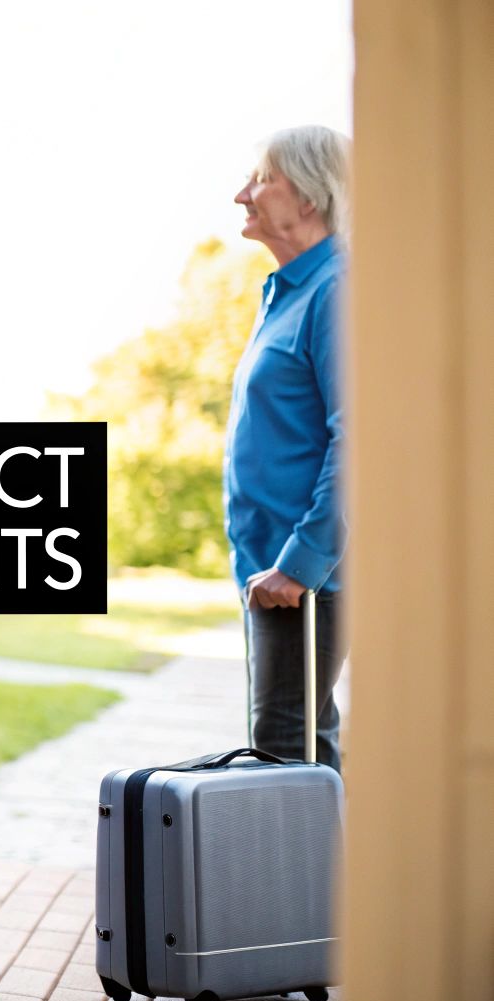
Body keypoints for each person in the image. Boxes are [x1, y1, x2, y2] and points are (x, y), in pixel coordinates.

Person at [225, 125, 350, 772]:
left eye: (261, 180)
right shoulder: (290, 293)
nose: (242, 195)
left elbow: (358, 441)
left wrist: (301, 563)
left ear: (307, 195)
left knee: (283, 757)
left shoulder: (337, 289)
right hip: (274, 573)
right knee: (300, 748)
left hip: (303, 578)